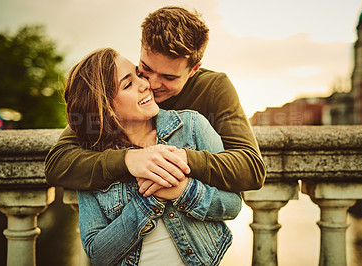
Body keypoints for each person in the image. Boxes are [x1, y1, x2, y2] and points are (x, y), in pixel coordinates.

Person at [45, 6, 266, 195]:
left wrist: (179, 159)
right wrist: (129, 160)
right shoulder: (122, 93)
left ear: (193, 70)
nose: (150, 83)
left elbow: (251, 168)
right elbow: (58, 163)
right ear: (141, 48)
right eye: (146, 69)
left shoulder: (214, 87)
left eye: (169, 77)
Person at [67, 47, 242, 265]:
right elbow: (98, 253)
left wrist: (183, 191)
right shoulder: (91, 160)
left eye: (138, 75)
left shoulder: (192, 126)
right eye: (128, 84)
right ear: (105, 107)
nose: (146, 84)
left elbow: (233, 205)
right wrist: (149, 202)